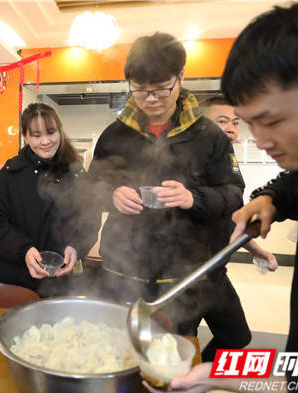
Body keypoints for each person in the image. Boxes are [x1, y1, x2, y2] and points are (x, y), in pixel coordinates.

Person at [146, 2, 298, 393]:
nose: (260, 142)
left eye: (273, 121)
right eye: (250, 123)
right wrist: (270, 198)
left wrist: (221, 374)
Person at [86, 33, 248, 353]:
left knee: (173, 352)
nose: (151, 99)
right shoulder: (114, 135)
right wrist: (112, 194)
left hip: (181, 277)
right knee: (121, 348)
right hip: (122, 270)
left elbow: (234, 193)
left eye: (161, 88)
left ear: (181, 76)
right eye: (140, 90)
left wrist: (193, 198)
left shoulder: (209, 135)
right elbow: (91, 186)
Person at [0, 103, 90, 297]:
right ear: (25, 136)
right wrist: (24, 250)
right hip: (17, 277)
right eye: (37, 135)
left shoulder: (76, 173)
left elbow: (90, 218)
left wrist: (76, 246)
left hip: (63, 278)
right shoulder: (10, 175)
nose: (46, 141)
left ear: (60, 131)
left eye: (51, 132)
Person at [201, 95, 279, 270]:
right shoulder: (192, 166)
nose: (231, 129)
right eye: (222, 121)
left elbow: (229, 217)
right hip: (192, 268)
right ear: (199, 125)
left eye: (235, 123)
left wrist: (255, 250)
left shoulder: (227, 162)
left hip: (215, 265)